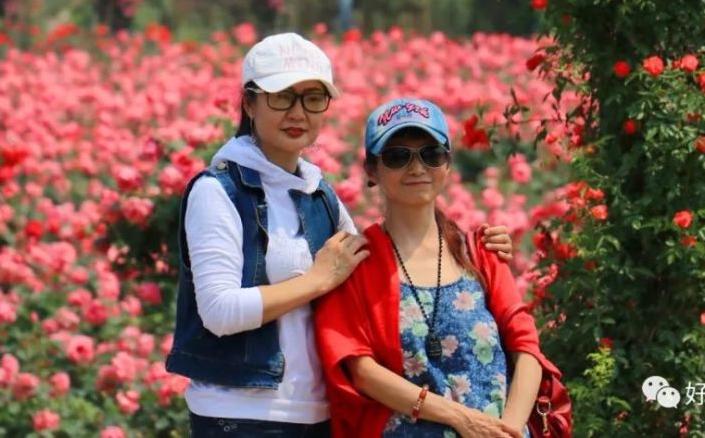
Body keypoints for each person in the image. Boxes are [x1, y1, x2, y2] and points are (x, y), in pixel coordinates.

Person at [164, 35, 515, 437]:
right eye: (282, 97)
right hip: (239, 415)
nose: (298, 112)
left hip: (314, 414)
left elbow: (381, 254)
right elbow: (220, 312)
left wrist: (472, 244)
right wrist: (315, 281)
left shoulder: (319, 194)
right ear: (249, 103)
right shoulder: (218, 191)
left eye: (313, 98)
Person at [316, 98, 562, 438]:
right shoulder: (355, 263)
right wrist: (461, 419)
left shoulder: (480, 252)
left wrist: (511, 430)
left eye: (430, 154)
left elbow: (526, 346)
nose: (417, 168)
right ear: (372, 171)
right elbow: (361, 369)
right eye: (398, 156)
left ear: (447, 163)